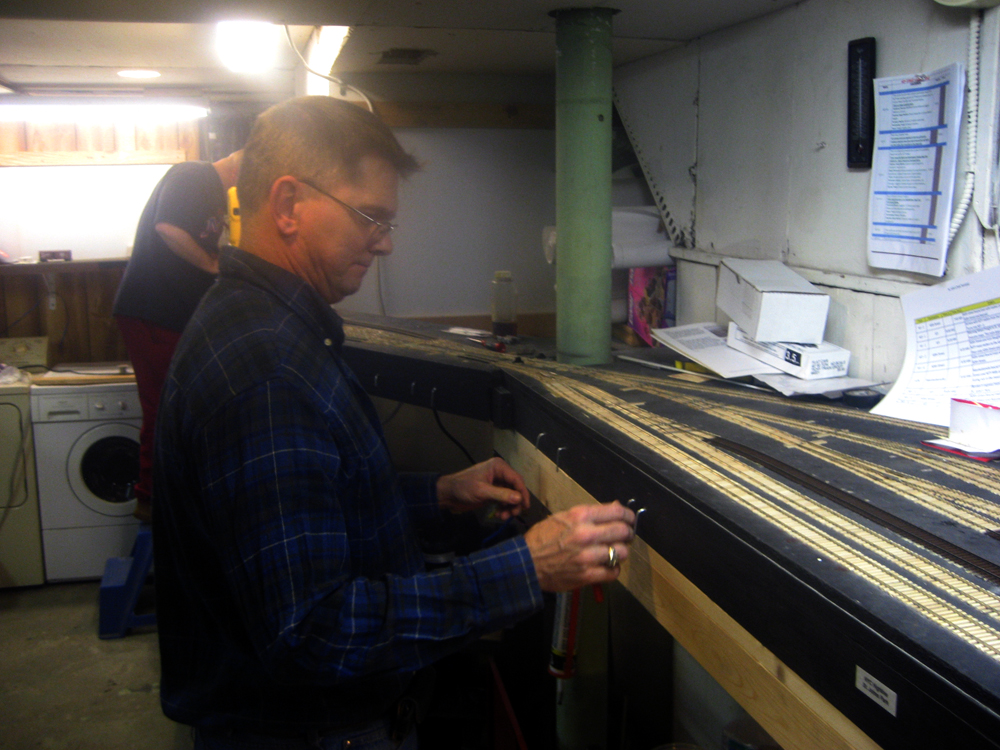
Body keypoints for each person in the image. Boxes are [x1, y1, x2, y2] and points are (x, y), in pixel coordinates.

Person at [152, 96, 636, 750]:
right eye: (369, 217)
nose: (383, 243)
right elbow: (315, 631)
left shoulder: (271, 326)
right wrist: (528, 566)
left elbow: (316, 507)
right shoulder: (267, 370)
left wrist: (437, 496)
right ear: (289, 205)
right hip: (306, 731)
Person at [112, 151, 242, 523]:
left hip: (171, 314)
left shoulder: (217, 196)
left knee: (177, 406)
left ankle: (170, 493)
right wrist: (214, 265)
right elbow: (167, 228)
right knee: (163, 405)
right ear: (240, 162)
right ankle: (149, 500)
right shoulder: (194, 175)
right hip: (153, 310)